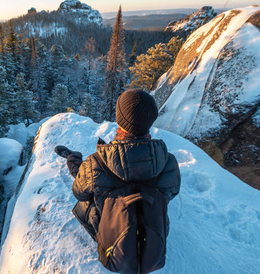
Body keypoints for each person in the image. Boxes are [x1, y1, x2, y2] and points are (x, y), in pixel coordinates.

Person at [55, 88, 181, 259]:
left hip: (113, 240)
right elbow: (170, 193)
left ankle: (72, 157)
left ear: (120, 119)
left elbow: (79, 193)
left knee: (87, 187)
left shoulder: (96, 162)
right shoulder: (169, 162)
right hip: (152, 237)